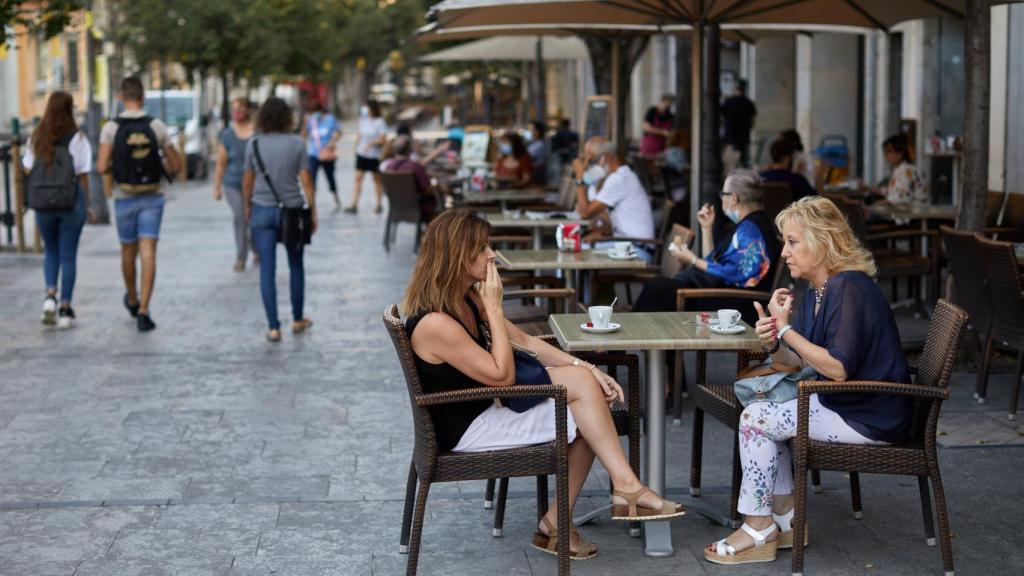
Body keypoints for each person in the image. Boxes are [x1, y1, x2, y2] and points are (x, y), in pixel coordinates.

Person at [402, 210, 685, 560]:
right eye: (482, 248)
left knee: (587, 403)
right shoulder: (435, 323)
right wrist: (493, 309)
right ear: (455, 256)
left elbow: (526, 342)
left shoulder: (465, 298)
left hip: (487, 406)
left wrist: (586, 367)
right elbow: (503, 377)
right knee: (586, 413)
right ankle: (605, 499)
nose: (492, 254)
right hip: (467, 428)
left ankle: (580, 510)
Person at [704, 195, 911, 565]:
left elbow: (837, 368)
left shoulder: (849, 288)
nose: (784, 252)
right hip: (842, 402)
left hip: (869, 414)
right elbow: (796, 360)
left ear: (824, 241)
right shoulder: (820, 291)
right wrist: (774, 337)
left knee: (756, 420)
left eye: (793, 242)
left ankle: (758, 526)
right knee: (761, 411)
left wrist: (786, 332)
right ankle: (786, 518)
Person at [97, 76, 181, 332]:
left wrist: (120, 165)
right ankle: (145, 310)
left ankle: (132, 298)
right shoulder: (156, 126)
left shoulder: (111, 128)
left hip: (124, 196)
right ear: (143, 96)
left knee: (128, 251)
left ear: (121, 97)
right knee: (149, 252)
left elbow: (101, 167)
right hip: (153, 195)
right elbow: (176, 165)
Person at [631, 169, 778, 315]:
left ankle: (634, 335)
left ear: (733, 198)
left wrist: (693, 260)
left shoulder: (752, 230)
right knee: (658, 287)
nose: (721, 199)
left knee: (656, 288)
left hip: (731, 304)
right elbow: (715, 264)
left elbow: (730, 272)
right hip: (722, 295)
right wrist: (706, 228)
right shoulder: (750, 225)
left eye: (723, 194)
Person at [242, 97, 317, 343]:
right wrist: (313, 211)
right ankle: (297, 319)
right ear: (287, 118)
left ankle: (274, 327)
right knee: (296, 265)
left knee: (267, 269)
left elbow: (247, 181)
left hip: (262, 210)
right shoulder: (297, 143)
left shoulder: (253, 144)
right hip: (292, 211)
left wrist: (247, 207)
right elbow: (306, 179)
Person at [22, 91, 94, 329]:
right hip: (71, 204)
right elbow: (83, 175)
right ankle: (65, 308)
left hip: (44, 204)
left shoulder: (37, 137)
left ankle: (50, 296)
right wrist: (88, 204)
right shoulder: (78, 138)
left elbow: (27, 168)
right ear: (70, 109)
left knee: (50, 251)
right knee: (68, 255)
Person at [572, 137, 655, 263]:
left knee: (575, 252)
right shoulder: (619, 176)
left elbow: (585, 213)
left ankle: (572, 283)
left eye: (591, 161)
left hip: (637, 250)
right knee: (578, 247)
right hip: (627, 245)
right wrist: (601, 231)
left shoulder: (619, 179)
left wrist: (579, 177)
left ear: (606, 158)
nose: (587, 167)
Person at [213, 97, 257, 272]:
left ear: (247, 110)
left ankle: (256, 248)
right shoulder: (227, 135)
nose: (236, 113)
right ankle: (241, 257)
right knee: (240, 215)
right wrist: (217, 186)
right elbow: (221, 162)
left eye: (240, 109)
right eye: (234, 109)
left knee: (253, 217)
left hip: (255, 184)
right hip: (233, 183)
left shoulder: (257, 132)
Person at [381, 135, 437, 222]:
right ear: (410, 150)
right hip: (420, 209)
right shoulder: (415, 167)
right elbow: (427, 188)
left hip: (397, 208)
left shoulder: (388, 167)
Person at [347, 100, 388, 214]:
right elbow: (359, 135)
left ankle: (379, 204)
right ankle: (354, 203)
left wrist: (371, 143)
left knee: (377, 179)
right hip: (362, 154)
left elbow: (383, 139)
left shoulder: (380, 122)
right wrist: (355, 147)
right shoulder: (363, 120)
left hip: (374, 155)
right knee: (358, 178)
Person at [301, 102, 342, 210]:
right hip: (314, 153)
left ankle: (336, 197)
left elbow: (339, 132)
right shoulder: (311, 121)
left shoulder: (330, 119)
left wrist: (332, 141)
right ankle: (312, 201)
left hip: (327, 153)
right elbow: (304, 136)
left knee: (330, 177)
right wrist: (306, 123)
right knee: (312, 177)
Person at [869, 134, 929, 206]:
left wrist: (874, 205)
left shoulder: (906, 170)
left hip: (913, 214)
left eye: (889, 151)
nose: (886, 155)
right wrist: (868, 188)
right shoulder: (900, 169)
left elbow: (902, 197)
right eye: (885, 152)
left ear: (900, 153)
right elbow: (893, 192)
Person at [761, 138, 816, 202]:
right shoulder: (797, 179)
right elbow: (815, 200)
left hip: (766, 212)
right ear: (787, 158)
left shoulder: (761, 178)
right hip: (792, 212)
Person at [721, 80, 757, 167]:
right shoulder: (748, 103)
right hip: (743, 136)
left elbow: (722, 115)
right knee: (743, 160)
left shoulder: (729, 102)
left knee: (730, 162)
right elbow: (752, 120)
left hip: (730, 136)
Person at [526, 120, 548, 185]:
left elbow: (529, 159)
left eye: (531, 129)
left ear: (537, 131)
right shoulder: (534, 144)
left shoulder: (540, 145)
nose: (529, 132)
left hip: (536, 176)